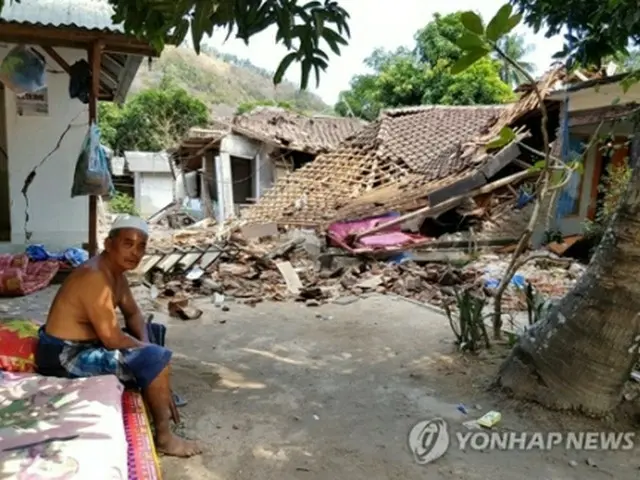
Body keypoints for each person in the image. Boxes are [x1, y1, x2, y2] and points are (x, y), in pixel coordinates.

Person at [35, 214, 201, 457]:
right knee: (155, 357)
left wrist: (145, 345)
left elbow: (134, 314)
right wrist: (151, 356)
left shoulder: (116, 275)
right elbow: (112, 339)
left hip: (88, 344)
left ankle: (155, 386)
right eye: (127, 243)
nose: (135, 252)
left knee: (154, 336)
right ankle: (165, 437)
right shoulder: (95, 277)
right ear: (108, 243)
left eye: (141, 246)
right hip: (64, 355)